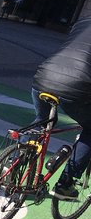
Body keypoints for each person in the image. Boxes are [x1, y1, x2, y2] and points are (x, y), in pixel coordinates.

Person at [33, 18, 91, 200]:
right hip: (75, 85)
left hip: (44, 76)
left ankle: (16, 159)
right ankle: (65, 184)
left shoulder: (83, 22)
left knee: (43, 121)